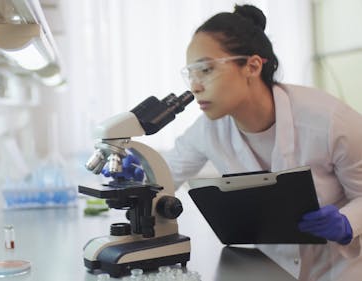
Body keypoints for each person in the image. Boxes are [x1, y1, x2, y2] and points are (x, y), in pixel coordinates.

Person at [103, 4, 362, 280]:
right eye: (191, 73)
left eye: (205, 70)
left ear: (252, 66)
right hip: (267, 269)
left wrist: (348, 222)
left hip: (339, 269)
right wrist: (141, 173)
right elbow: (166, 176)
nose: (195, 86)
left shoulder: (330, 120)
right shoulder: (208, 129)